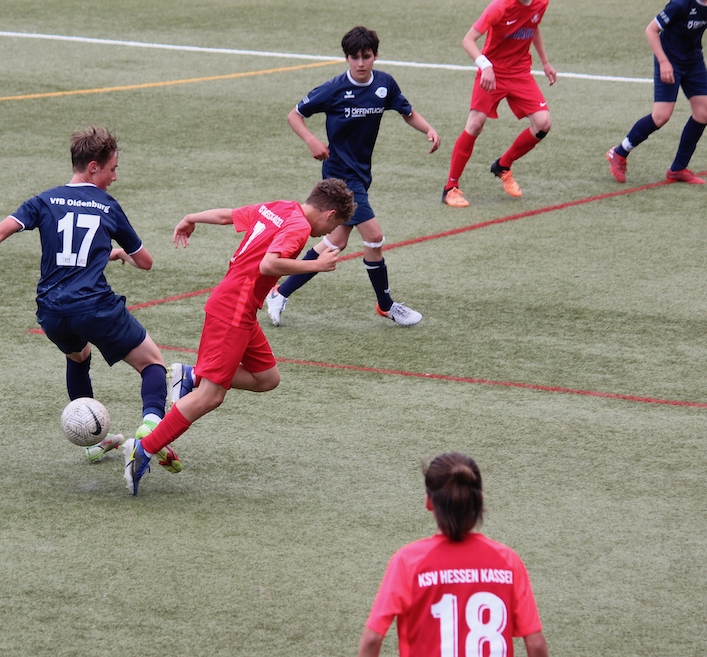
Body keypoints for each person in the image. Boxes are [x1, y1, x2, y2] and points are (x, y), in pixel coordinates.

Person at [0, 126, 180, 472]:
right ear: (93, 168)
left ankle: (95, 441)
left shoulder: (44, 200)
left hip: (53, 311)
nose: (115, 177)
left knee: (78, 355)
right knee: (152, 364)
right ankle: (151, 426)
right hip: (95, 306)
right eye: (112, 169)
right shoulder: (107, 206)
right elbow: (145, 262)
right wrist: (122, 253)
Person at [122, 179, 356, 495]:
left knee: (267, 377)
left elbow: (227, 215)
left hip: (239, 307)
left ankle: (191, 375)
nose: (327, 233)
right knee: (211, 396)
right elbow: (269, 264)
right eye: (334, 226)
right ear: (330, 215)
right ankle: (143, 449)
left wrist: (191, 217)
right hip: (234, 310)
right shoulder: (299, 228)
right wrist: (316, 264)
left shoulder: (280, 207)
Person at [264, 26, 440, 328]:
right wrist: (311, 140)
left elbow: (407, 111)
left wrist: (428, 129)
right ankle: (386, 305)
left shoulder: (384, 84)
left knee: (335, 243)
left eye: (366, 57)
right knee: (374, 238)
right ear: (346, 58)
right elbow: (295, 115)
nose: (360, 63)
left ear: (375, 55)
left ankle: (279, 293)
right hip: (340, 176)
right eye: (354, 57)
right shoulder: (333, 89)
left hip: (361, 174)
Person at [354, 452, 549, 657]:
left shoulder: (408, 561)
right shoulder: (508, 561)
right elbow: (536, 644)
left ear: (429, 502)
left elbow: (372, 639)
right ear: (480, 500)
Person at [606, 0, 707, 184]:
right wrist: (663, 62)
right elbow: (651, 30)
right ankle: (619, 152)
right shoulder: (681, 4)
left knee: (704, 112)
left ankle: (677, 169)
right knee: (661, 116)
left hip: (694, 61)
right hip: (669, 60)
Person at [442, 0, 557, 208]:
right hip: (492, 72)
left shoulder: (540, 3)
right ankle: (450, 188)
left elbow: (533, 25)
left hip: (520, 73)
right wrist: (485, 65)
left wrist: (545, 62)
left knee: (543, 123)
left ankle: (503, 165)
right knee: (475, 124)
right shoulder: (500, 7)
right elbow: (468, 40)